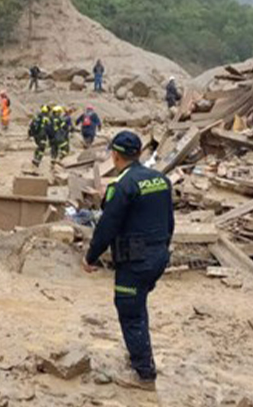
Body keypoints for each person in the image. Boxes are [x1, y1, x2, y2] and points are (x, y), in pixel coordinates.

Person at [82, 131, 174, 391]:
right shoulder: (161, 179)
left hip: (134, 260)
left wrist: (90, 257)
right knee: (138, 306)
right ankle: (139, 355)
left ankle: (144, 375)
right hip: (157, 256)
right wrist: (162, 250)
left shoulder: (122, 186)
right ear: (139, 153)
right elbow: (169, 220)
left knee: (130, 313)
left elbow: (107, 226)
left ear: (115, 155)